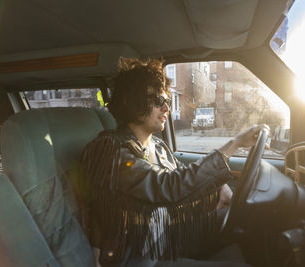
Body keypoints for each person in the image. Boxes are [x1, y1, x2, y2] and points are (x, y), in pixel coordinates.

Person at [80, 57, 266, 267]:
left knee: (255, 225)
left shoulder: (158, 146)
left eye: (167, 100)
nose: (167, 108)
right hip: (138, 254)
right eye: (158, 101)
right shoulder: (110, 151)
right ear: (132, 100)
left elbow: (183, 175)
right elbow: (167, 187)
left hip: (165, 235)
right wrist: (235, 143)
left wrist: (219, 186)